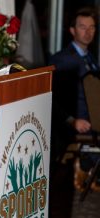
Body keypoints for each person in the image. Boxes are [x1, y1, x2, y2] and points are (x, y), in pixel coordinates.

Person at [49, 8, 99, 183]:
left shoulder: (91, 58)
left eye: (92, 27)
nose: (88, 32)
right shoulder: (62, 60)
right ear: (72, 30)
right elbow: (53, 98)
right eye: (82, 27)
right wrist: (72, 120)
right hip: (77, 124)